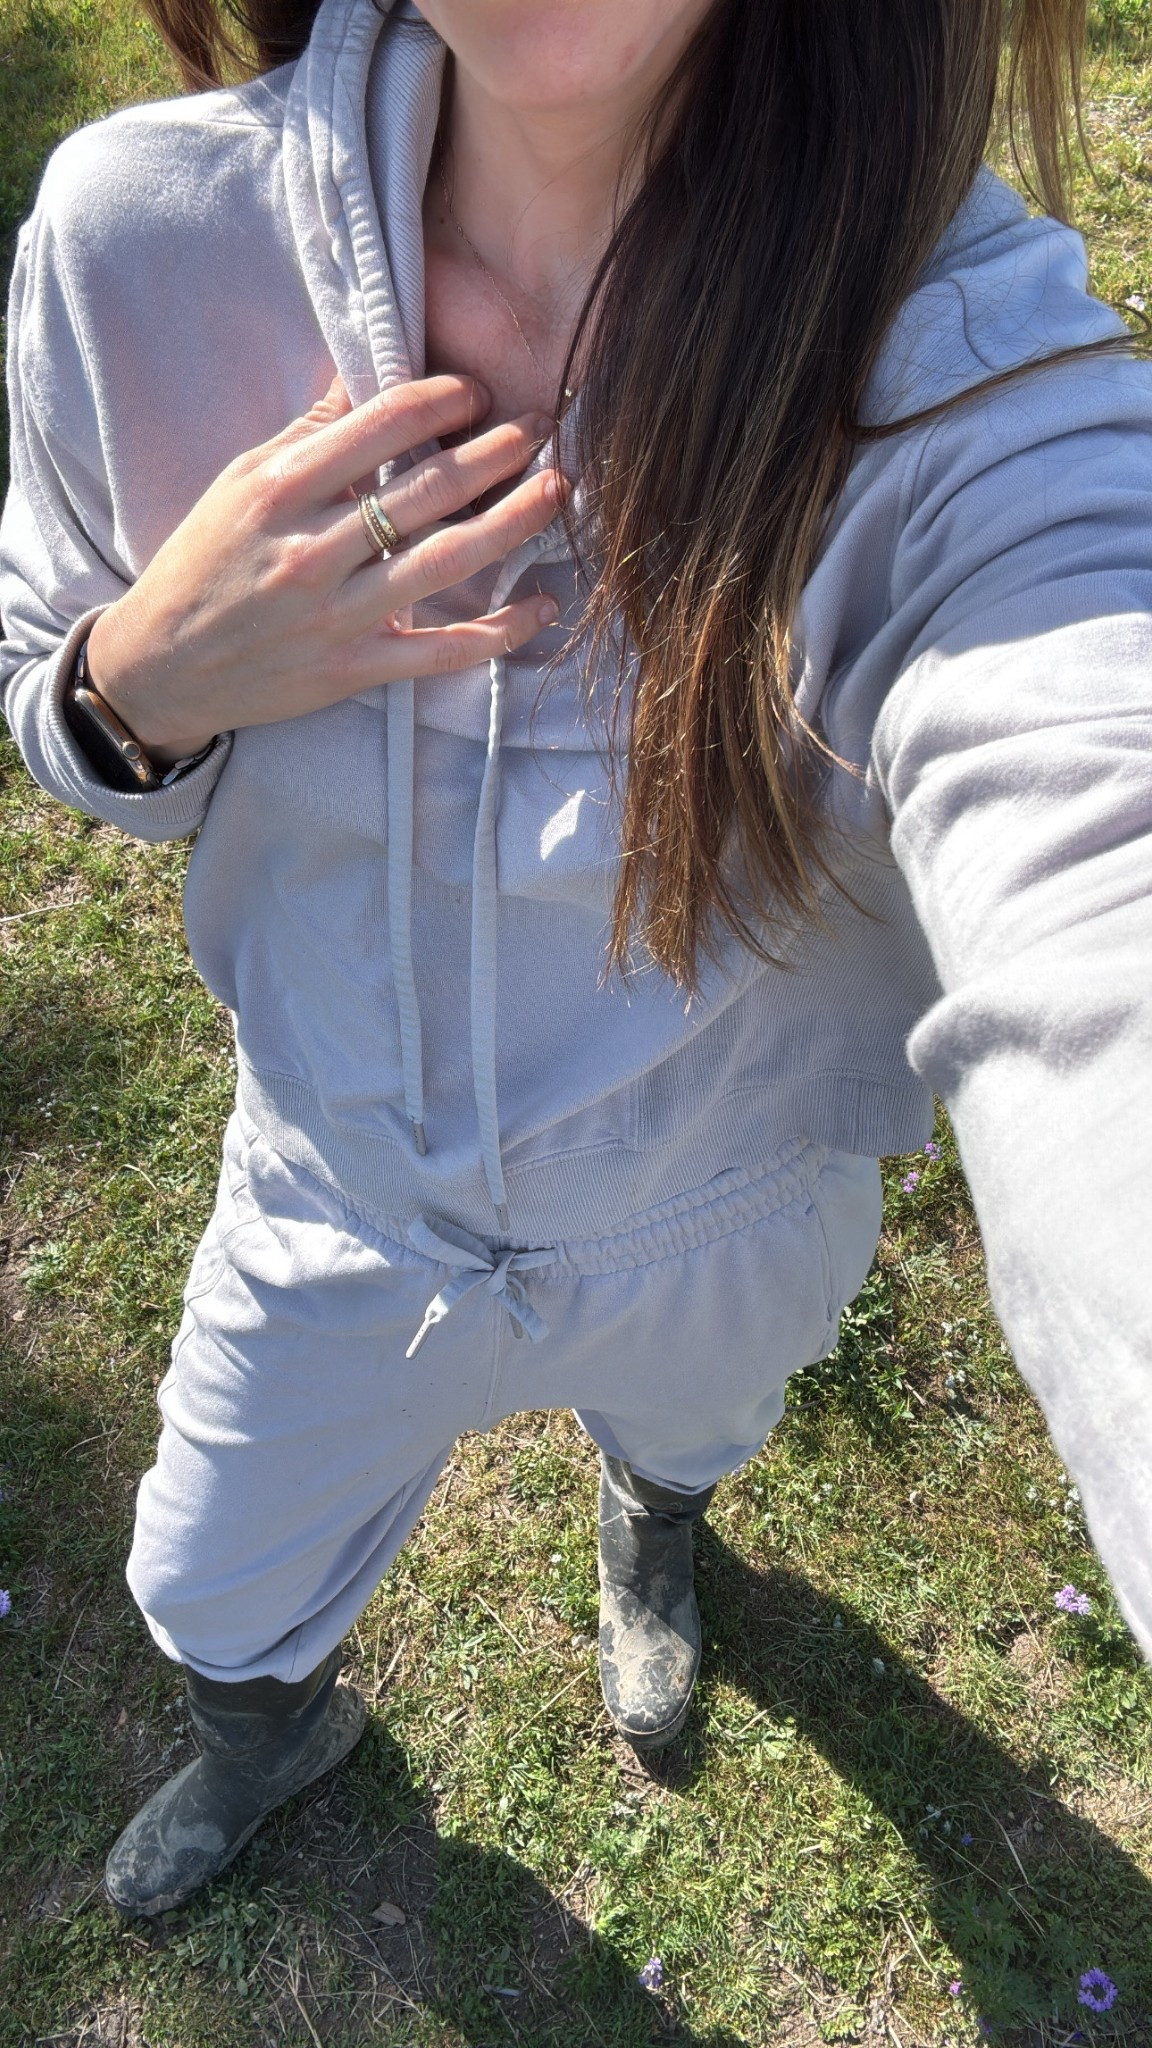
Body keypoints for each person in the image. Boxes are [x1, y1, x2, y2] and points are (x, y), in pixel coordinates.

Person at [2, 0, 1150, 1922]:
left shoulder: (962, 383)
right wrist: (137, 689)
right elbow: (53, 688)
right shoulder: (139, 239)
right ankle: (266, 1739)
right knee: (205, 1580)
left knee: (697, 1425)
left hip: (728, 1214)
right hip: (332, 1194)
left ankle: (658, 1518)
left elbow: (1099, 838)